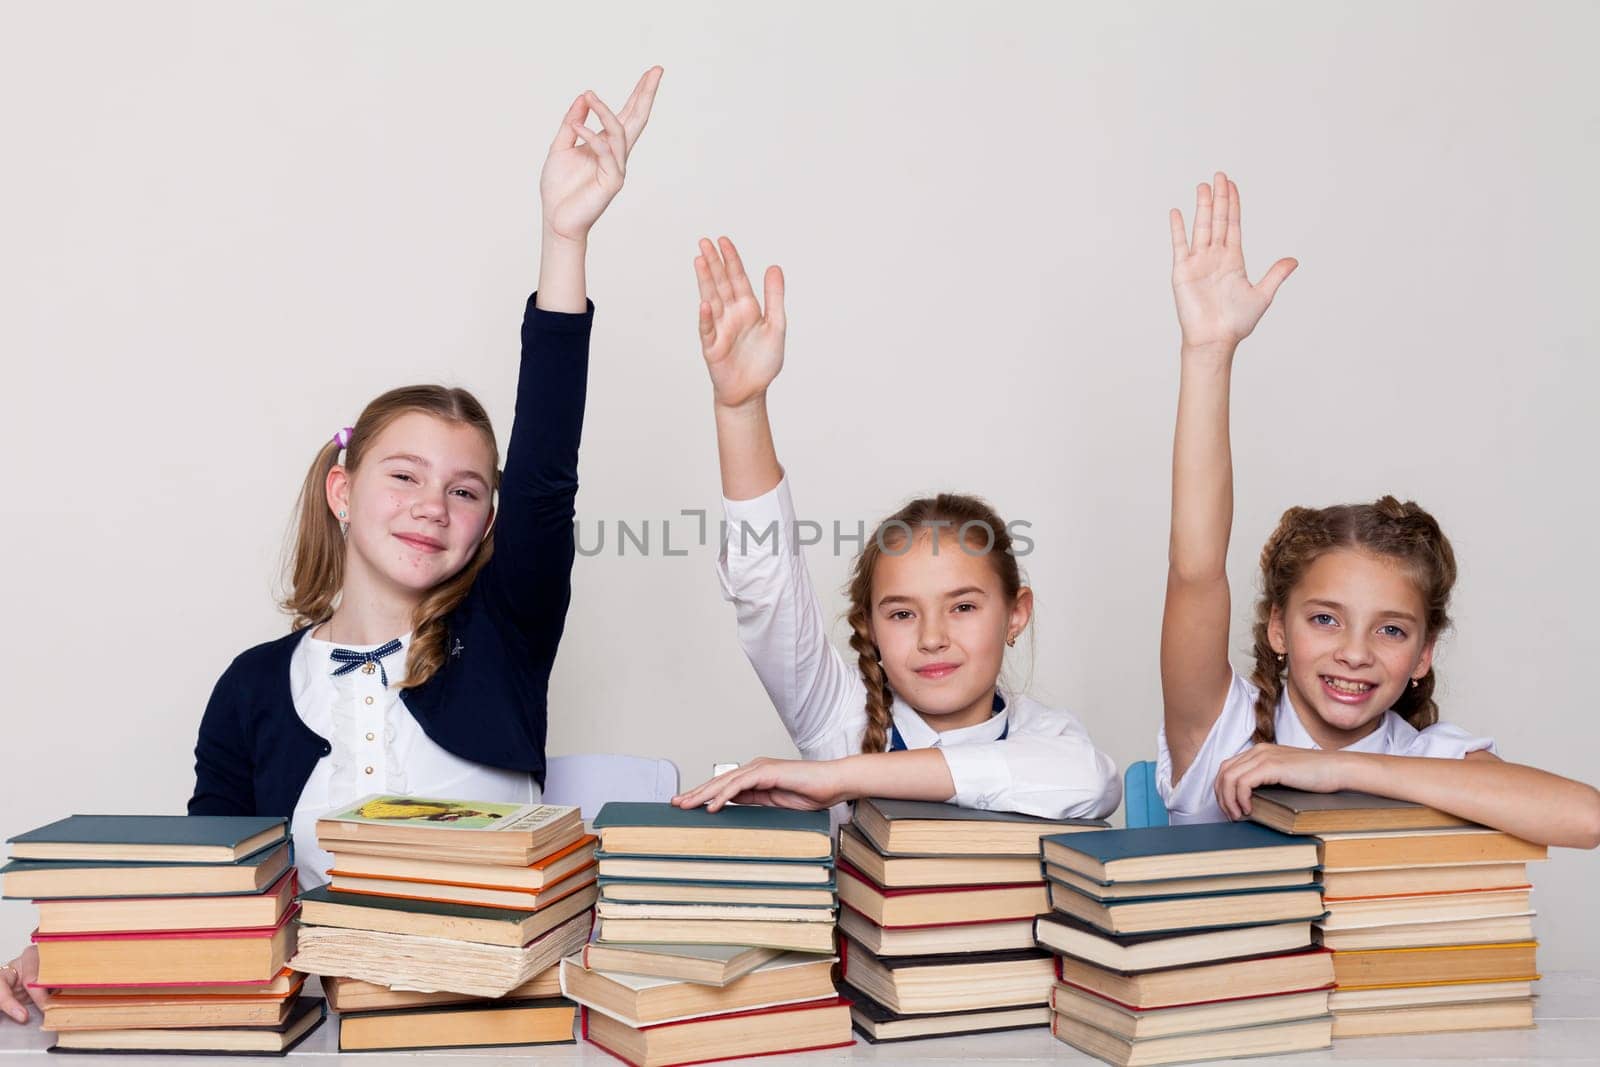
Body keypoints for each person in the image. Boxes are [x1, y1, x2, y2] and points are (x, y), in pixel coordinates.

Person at [0, 67, 662, 1026]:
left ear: (488, 523)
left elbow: (550, 462)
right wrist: (65, 948)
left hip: (498, 1025)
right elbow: (213, 888)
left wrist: (565, 238)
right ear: (342, 491)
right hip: (326, 1030)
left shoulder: (506, 635)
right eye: (404, 475)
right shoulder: (251, 688)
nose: (433, 504)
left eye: (465, 489)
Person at [1157, 171, 1600, 848]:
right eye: (1325, 618)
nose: (1355, 652)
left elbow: (1585, 817)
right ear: (1278, 627)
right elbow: (1195, 568)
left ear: (1423, 653)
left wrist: (1338, 769)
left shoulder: (1425, 756)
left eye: (1391, 631)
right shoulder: (1222, 730)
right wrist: (1209, 352)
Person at [671, 237, 1120, 824]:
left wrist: (836, 777)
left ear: (1016, 613)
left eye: (962, 607)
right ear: (871, 628)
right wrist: (740, 408)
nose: (932, 637)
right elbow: (767, 591)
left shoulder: (1050, 737)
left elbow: (1091, 780)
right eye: (902, 613)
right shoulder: (839, 719)